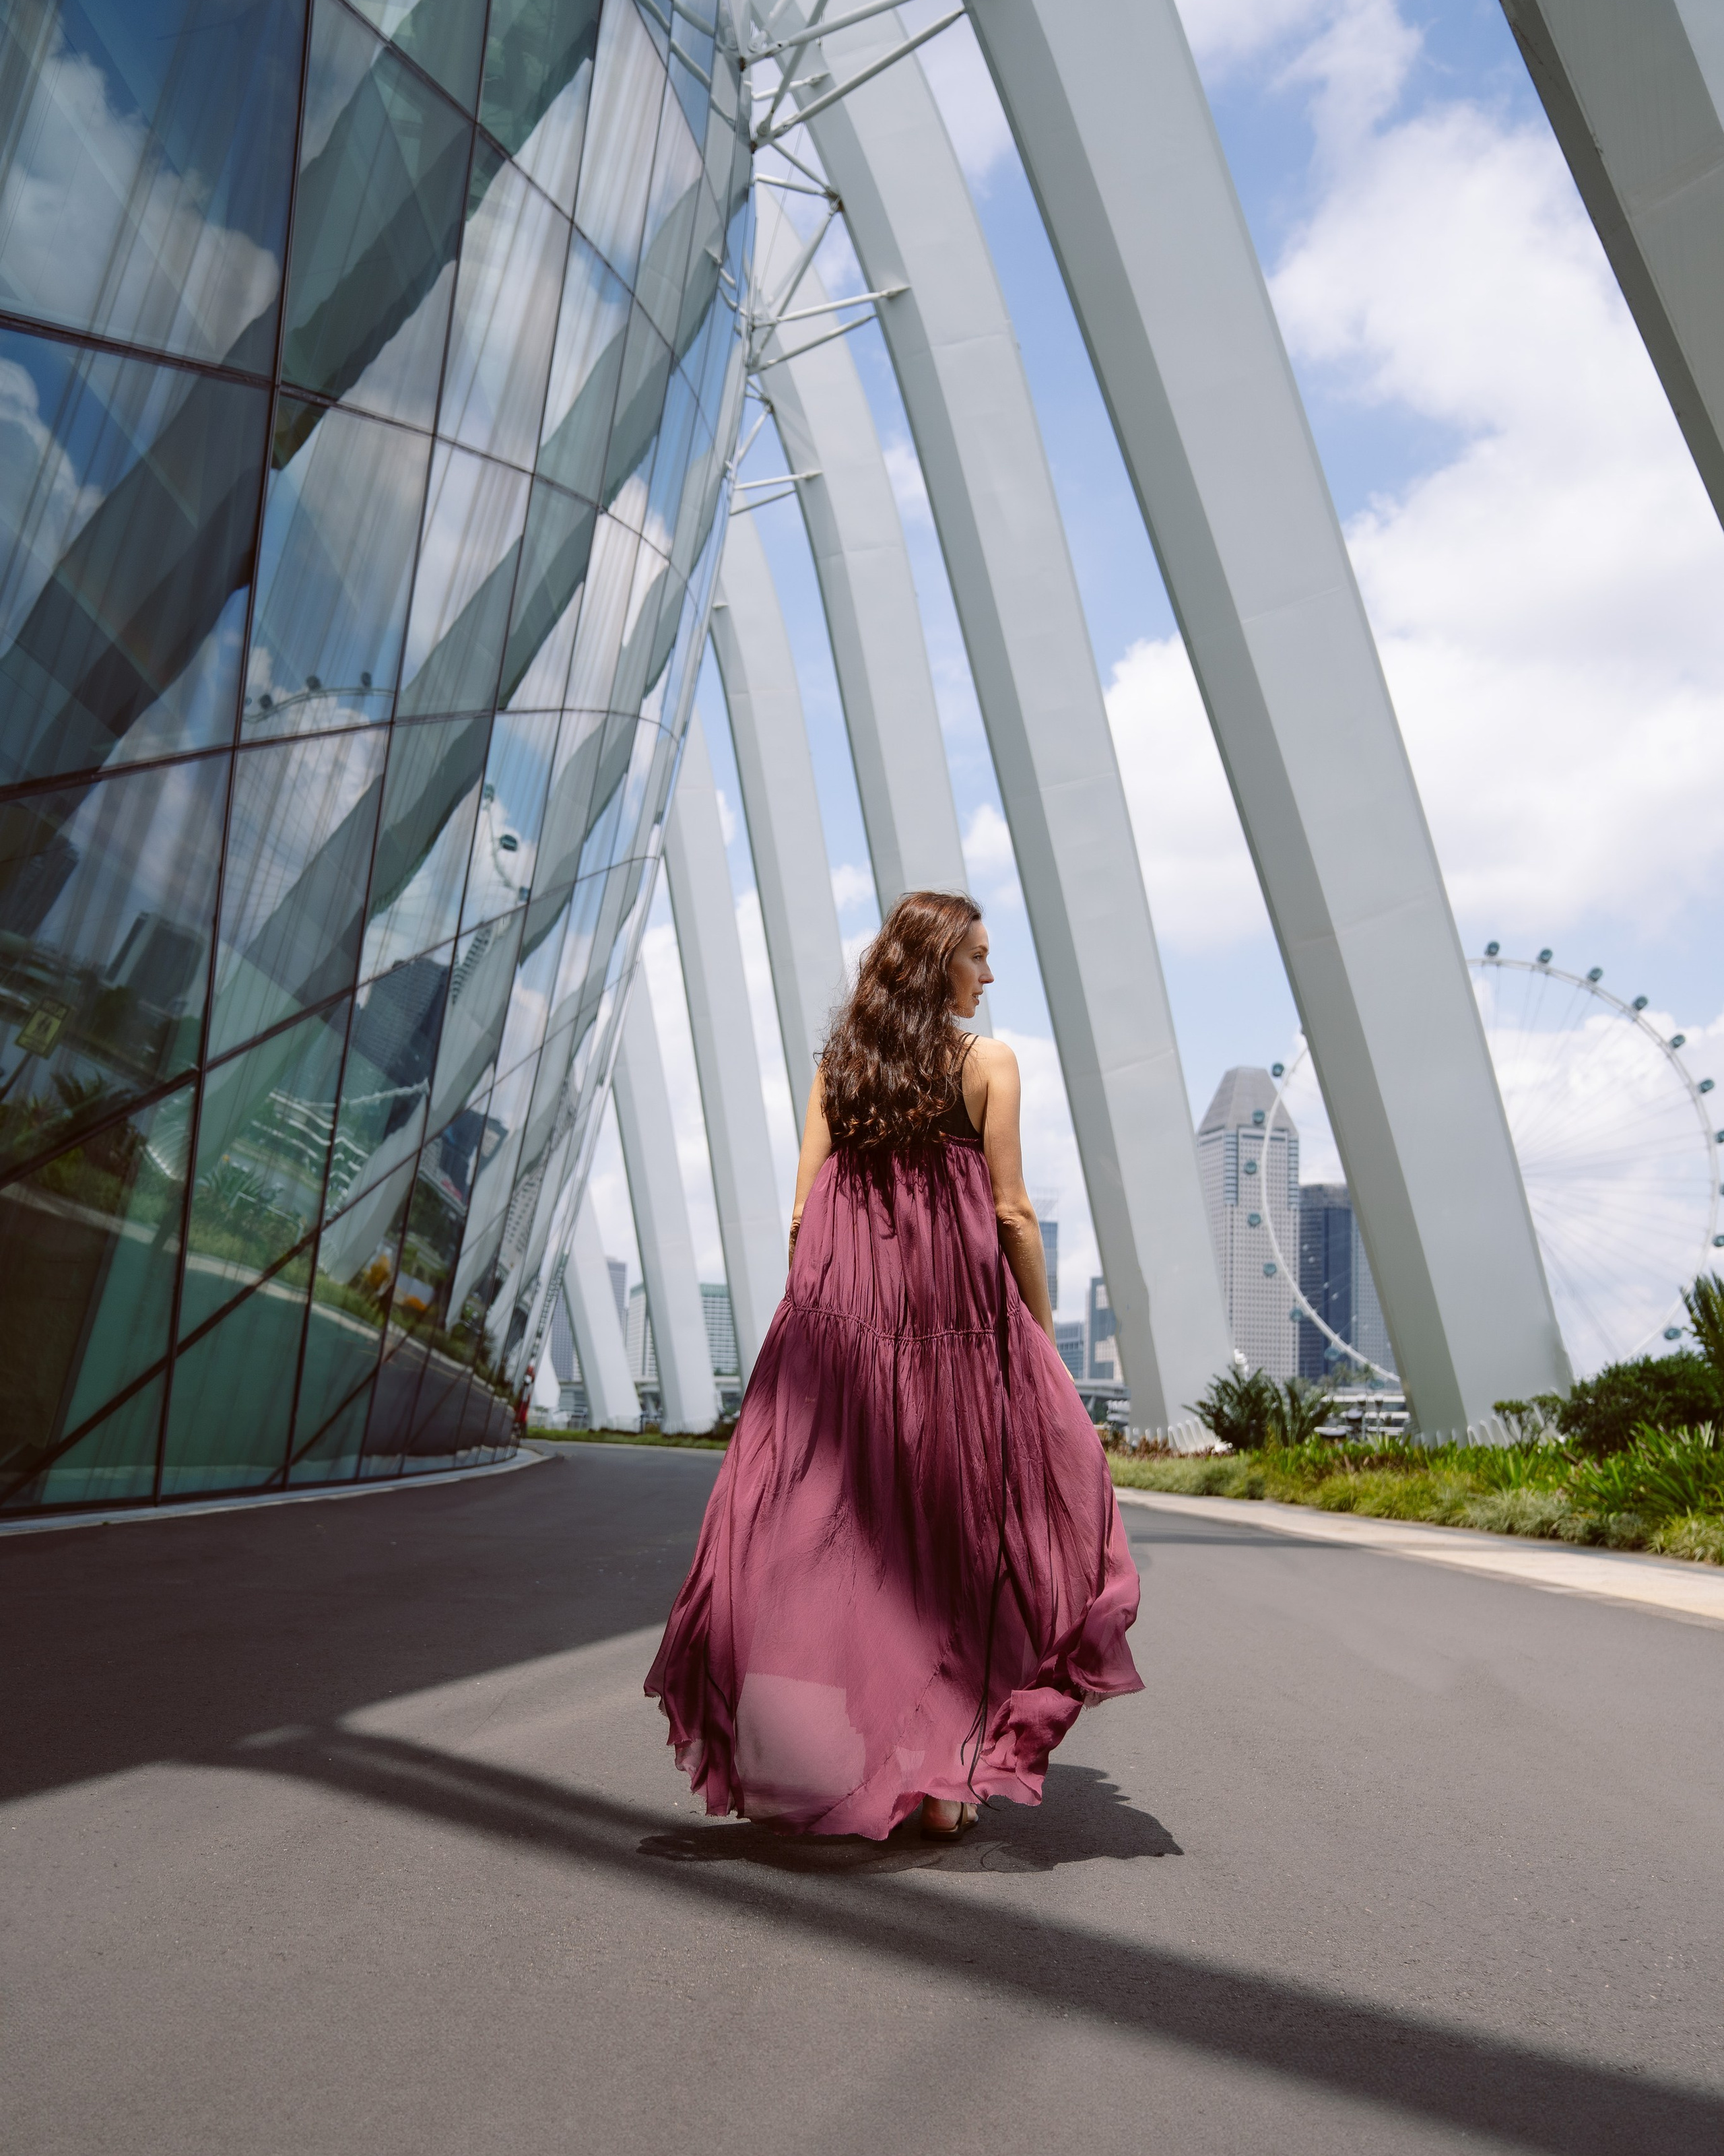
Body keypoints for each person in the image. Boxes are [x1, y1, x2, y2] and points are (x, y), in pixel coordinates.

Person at [645, 891, 1143, 1839]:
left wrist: (820, 1336)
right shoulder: (988, 1064)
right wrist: (1035, 1334)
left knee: (848, 1553)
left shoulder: (840, 1071)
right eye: (979, 958)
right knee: (968, 1544)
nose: (990, 977)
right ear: (937, 963)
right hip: (959, 1342)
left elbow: (803, 1220)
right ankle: (946, 1777)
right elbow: (1012, 1215)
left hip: (845, 1347)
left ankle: (849, 1757)